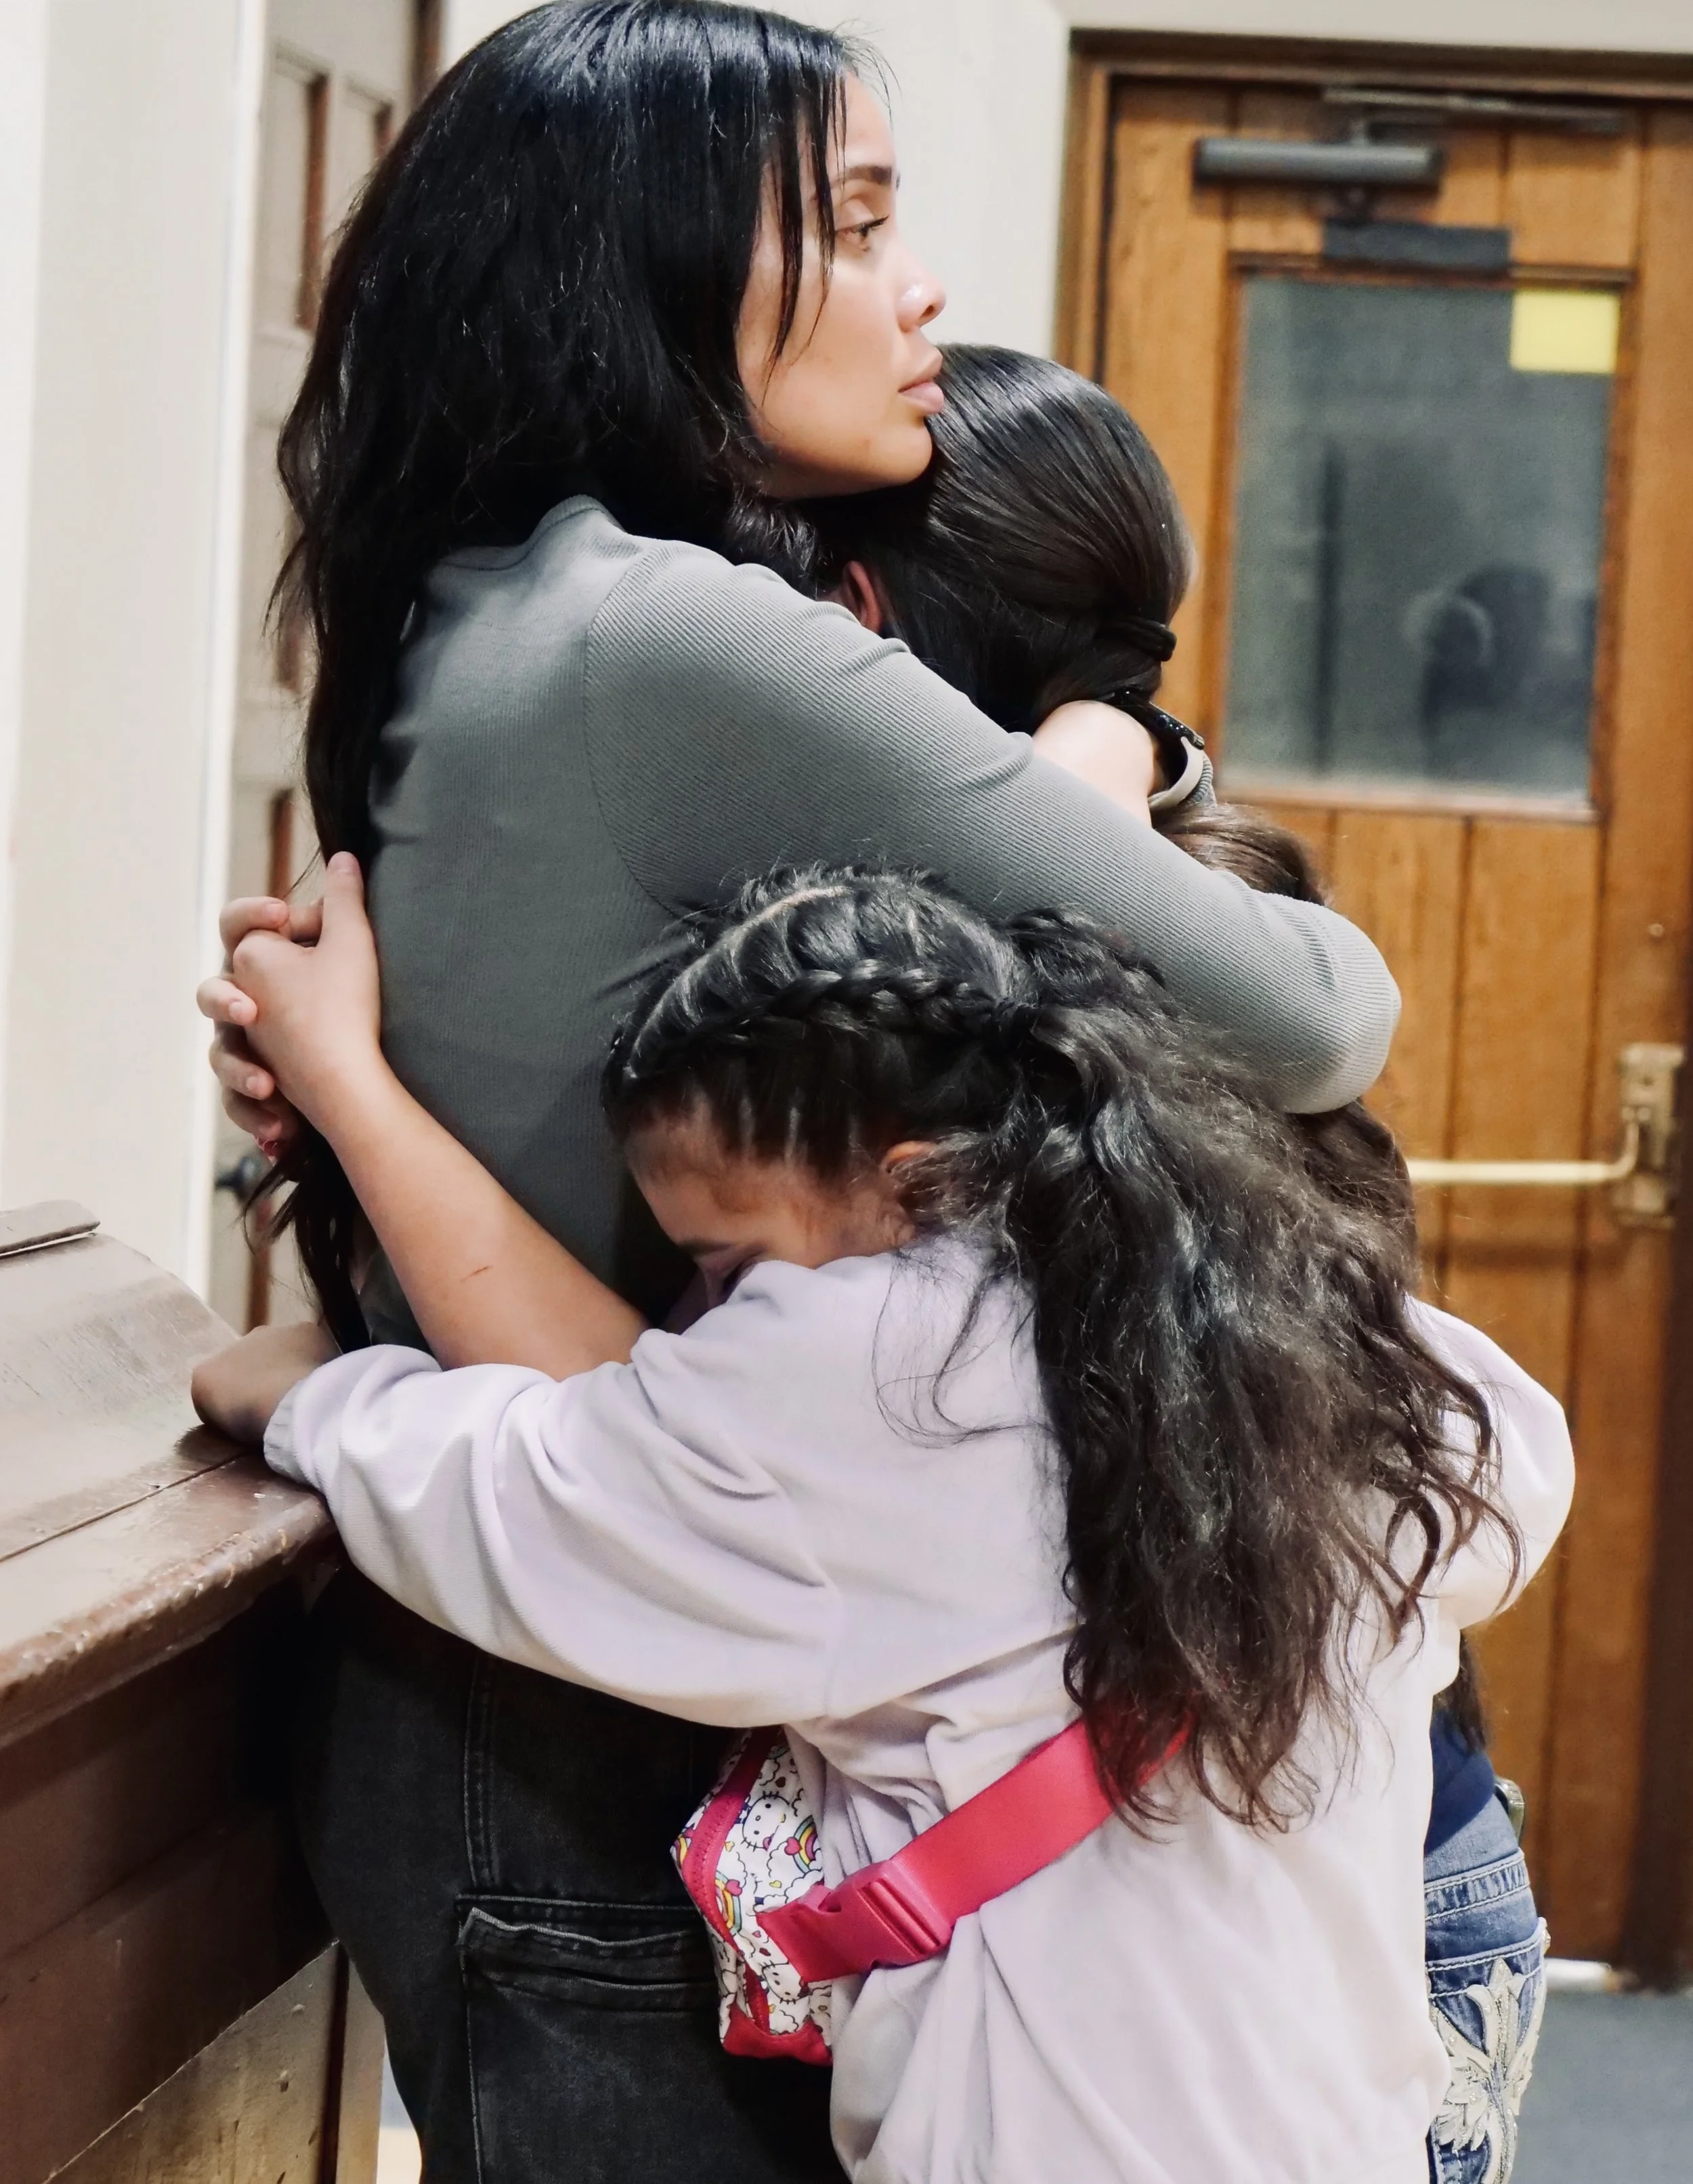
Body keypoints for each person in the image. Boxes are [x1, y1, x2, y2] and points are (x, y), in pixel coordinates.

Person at [201, 0, 1402, 2183]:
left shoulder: (477, 606)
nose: (917, 281)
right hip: (603, 1735)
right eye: (852, 222)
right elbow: (1314, 1010)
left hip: (525, 1693)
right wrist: (1111, 753)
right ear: (650, 276)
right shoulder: (666, 632)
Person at [194, 852, 1573, 2184]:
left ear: (910, 1185)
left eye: (724, 1260)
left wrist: (315, 1384)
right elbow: (1513, 1466)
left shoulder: (879, 1371)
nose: (704, 1316)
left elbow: (520, 1490)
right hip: (1348, 2121)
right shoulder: (1269, 1312)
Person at [815, 343, 1551, 2179]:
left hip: (1258, 1907)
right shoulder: (1171, 879)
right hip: (1298, 1856)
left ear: (867, 614)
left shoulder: (1079, 953)